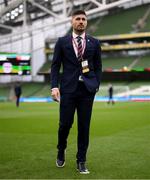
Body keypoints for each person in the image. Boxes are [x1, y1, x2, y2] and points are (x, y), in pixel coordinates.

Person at [50, 10, 102, 174]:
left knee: (84, 126)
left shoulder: (94, 42)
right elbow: (55, 66)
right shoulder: (62, 42)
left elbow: (98, 66)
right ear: (72, 22)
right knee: (65, 124)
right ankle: (61, 148)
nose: (81, 21)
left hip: (87, 90)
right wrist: (54, 86)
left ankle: (81, 160)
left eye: (83, 19)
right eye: (78, 19)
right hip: (68, 89)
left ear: (86, 22)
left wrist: (96, 84)